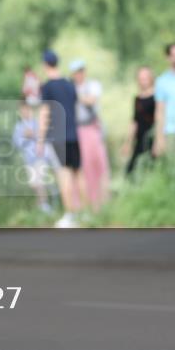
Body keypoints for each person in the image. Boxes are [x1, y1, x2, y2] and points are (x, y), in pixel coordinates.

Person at [38, 49, 85, 227]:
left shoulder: (47, 87)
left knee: (63, 175)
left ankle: (71, 215)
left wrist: (40, 140)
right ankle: (85, 213)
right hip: (74, 134)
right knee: (78, 174)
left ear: (45, 65)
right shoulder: (69, 84)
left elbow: (44, 113)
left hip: (58, 137)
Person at [69, 59, 110, 209]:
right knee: (82, 167)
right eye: (76, 72)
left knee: (98, 164)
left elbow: (91, 101)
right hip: (77, 130)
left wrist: (75, 94)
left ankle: (102, 202)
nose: (78, 74)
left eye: (80, 71)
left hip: (92, 128)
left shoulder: (92, 85)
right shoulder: (71, 88)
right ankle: (82, 203)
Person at [12, 100, 59, 214]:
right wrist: (24, 136)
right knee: (34, 184)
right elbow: (16, 143)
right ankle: (50, 196)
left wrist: (33, 135)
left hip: (40, 157)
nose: (25, 112)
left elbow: (46, 138)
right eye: (22, 110)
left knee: (40, 182)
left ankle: (45, 205)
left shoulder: (37, 123)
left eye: (27, 109)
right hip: (29, 160)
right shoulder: (18, 127)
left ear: (30, 110)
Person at [122, 67, 157, 176]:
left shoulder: (157, 97)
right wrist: (127, 142)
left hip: (153, 137)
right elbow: (135, 121)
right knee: (130, 170)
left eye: (145, 78)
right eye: (141, 78)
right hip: (140, 139)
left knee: (152, 167)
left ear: (151, 79)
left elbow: (160, 119)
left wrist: (159, 140)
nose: (143, 81)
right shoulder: (137, 98)